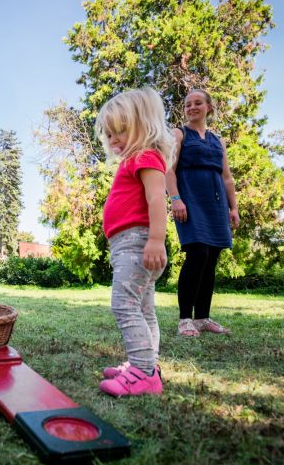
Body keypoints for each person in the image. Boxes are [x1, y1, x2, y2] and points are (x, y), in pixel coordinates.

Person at [95, 88, 173, 397]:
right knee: (143, 308)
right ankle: (144, 364)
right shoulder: (133, 159)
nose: (114, 140)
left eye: (121, 131)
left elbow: (157, 198)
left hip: (137, 242)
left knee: (124, 305)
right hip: (127, 244)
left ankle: (144, 373)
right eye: (110, 134)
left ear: (143, 125)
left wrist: (156, 240)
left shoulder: (146, 156)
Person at [165, 89, 238, 337]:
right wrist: (175, 199)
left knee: (210, 260)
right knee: (197, 254)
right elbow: (169, 170)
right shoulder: (178, 134)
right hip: (189, 200)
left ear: (209, 107)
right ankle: (185, 319)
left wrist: (234, 207)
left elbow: (227, 177)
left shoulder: (218, 140)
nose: (191, 107)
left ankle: (203, 318)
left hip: (216, 204)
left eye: (197, 103)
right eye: (187, 104)